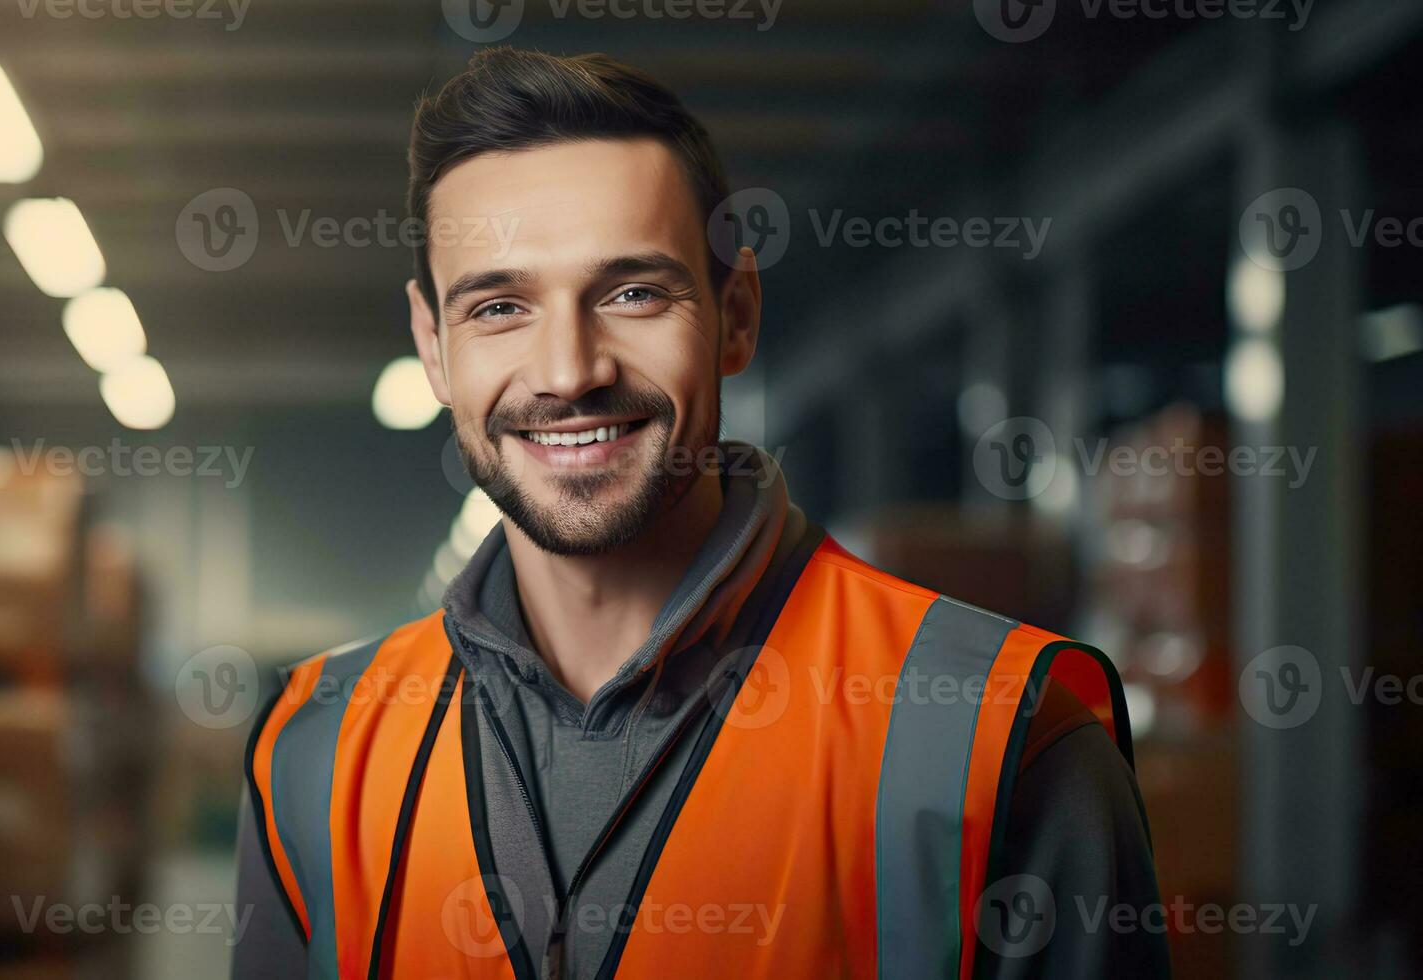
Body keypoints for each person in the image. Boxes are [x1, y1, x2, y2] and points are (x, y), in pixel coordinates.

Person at [233, 46, 1167, 979]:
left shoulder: (1001, 738)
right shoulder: (315, 751)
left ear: (738, 316)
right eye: (500, 307)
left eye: (633, 293)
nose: (569, 371)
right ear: (434, 348)